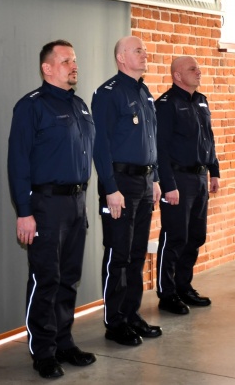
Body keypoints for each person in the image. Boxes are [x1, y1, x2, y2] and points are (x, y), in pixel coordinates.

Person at [7, 40, 96, 379]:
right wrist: (24, 211)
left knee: (69, 278)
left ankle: (63, 342)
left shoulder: (80, 106)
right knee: (46, 278)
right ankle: (43, 351)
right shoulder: (31, 106)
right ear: (47, 68)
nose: (74, 65)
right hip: (45, 205)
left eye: (74, 60)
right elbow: (18, 162)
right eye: (66, 61)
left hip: (76, 203)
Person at [92, 36, 162, 346]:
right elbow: (101, 145)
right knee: (118, 254)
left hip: (144, 184)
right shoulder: (108, 93)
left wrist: (155, 178)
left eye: (144, 50)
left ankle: (131, 314)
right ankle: (115, 321)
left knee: (136, 254)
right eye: (138, 50)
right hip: (120, 184)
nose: (145, 54)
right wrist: (111, 188)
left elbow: (152, 139)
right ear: (122, 57)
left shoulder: (144, 92)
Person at [155, 56, 220, 315]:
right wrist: (168, 184)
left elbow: (209, 138)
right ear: (177, 75)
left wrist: (214, 171)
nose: (199, 72)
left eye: (199, 68)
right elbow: (160, 148)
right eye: (193, 69)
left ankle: (184, 287)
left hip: (200, 178)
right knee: (175, 237)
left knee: (195, 236)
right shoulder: (166, 104)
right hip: (178, 180)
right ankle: (167, 294)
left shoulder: (201, 101)